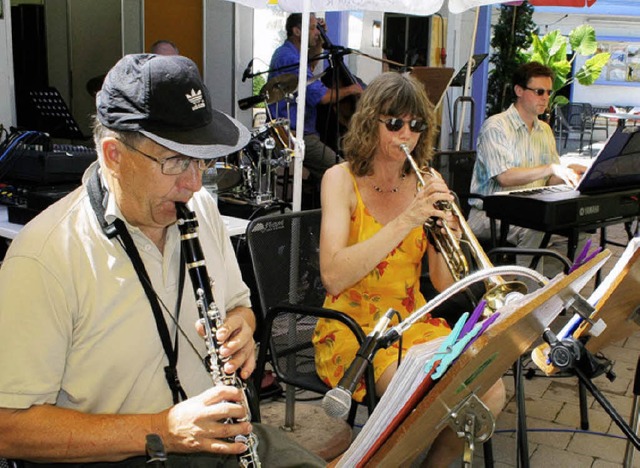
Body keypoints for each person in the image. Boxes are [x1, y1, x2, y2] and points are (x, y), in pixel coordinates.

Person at [0, 54, 324, 466]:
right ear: (113, 155)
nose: (193, 183)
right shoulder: (43, 258)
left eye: (200, 160)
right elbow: (7, 427)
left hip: (212, 439)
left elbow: (238, 307)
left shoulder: (200, 208)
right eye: (174, 161)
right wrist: (163, 429)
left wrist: (242, 329)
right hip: (114, 455)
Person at [312, 71, 505, 467]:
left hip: (412, 319)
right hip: (355, 328)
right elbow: (333, 275)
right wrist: (407, 220)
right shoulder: (340, 179)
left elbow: (442, 283)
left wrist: (446, 231)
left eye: (416, 125)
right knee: (427, 396)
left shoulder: (426, 179)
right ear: (369, 122)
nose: (407, 134)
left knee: (491, 389)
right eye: (394, 123)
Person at [467, 61, 587, 269]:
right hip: (488, 213)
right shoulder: (496, 126)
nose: (545, 98)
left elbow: (549, 179)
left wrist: (569, 173)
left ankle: (554, 288)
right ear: (519, 90)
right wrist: (550, 168)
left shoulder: (545, 130)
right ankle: (531, 294)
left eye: (548, 92)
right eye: (539, 92)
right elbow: (504, 177)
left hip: (532, 209)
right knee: (536, 230)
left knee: (581, 231)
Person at [268, 13, 362, 189]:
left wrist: (319, 40)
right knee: (342, 172)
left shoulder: (292, 53)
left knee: (329, 172)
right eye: (312, 28)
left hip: (304, 130)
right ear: (297, 31)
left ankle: (317, 201)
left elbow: (310, 68)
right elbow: (323, 97)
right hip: (294, 133)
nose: (316, 32)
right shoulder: (289, 58)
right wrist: (352, 89)